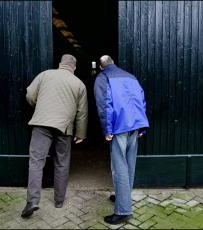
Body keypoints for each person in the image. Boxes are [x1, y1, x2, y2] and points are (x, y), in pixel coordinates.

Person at [21, 54, 88, 218]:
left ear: (60, 64)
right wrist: (80, 134)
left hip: (41, 123)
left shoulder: (45, 75)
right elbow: (82, 113)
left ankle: (33, 201)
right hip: (64, 128)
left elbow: (30, 94)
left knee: (36, 162)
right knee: (62, 163)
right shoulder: (79, 84)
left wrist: (41, 108)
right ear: (75, 67)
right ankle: (59, 201)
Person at [94, 55, 149, 225]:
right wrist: (142, 125)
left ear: (101, 66)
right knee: (129, 165)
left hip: (119, 127)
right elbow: (141, 101)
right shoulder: (130, 76)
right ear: (113, 63)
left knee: (119, 168)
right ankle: (122, 197)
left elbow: (104, 105)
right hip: (135, 126)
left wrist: (107, 129)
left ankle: (123, 211)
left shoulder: (103, 77)